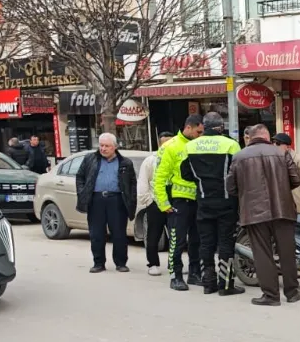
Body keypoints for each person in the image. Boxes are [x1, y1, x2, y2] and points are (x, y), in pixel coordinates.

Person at [226, 124, 300, 306]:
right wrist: (282, 189)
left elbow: (231, 187)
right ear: (267, 137)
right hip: (283, 209)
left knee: (262, 254)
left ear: (250, 137)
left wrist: (247, 194)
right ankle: (292, 292)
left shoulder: (239, 156)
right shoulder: (282, 153)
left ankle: (271, 295)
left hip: (254, 212)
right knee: (287, 252)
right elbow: (297, 180)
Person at [180, 112, 244, 296]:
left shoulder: (191, 146)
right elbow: (239, 173)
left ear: (204, 126)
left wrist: (202, 182)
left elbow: (185, 173)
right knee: (226, 243)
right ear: (221, 127)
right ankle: (226, 285)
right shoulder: (231, 144)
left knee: (205, 243)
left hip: (203, 201)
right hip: (227, 203)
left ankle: (208, 283)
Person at [154, 114, 205, 291]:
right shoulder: (170, 146)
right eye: (198, 131)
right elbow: (159, 177)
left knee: (197, 240)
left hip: (198, 201)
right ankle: (175, 275)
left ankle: (194, 273)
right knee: (177, 241)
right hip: (179, 202)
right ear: (188, 127)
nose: (200, 135)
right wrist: (164, 203)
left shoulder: (200, 144)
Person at [75, 133, 137, 273]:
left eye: (106, 146)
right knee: (96, 234)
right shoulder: (90, 159)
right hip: (96, 200)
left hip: (116, 201)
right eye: (101, 145)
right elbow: (80, 177)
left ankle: (121, 263)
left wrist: (131, 200)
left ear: (114, 147)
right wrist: (82, 192)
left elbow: (132, 183)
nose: (103, 148)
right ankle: (98, 263)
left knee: (119, 233)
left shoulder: (125, 163)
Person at [137, 132, 175, 276]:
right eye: (164, 143)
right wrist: (148, 201)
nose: (167, 145)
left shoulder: (176, 159)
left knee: (176, 235)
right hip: (155, 203)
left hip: (173, 202)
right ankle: (153, 264)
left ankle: (174, 264)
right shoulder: (150, 160)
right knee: (153, 235)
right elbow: (143, 182)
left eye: (170, 142)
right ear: (159, 144)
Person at [273, 133, 300, 222]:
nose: (274, 145)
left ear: (288, 147)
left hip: (297, 209)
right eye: (273, 142)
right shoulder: (274, 159)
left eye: (278, 143)